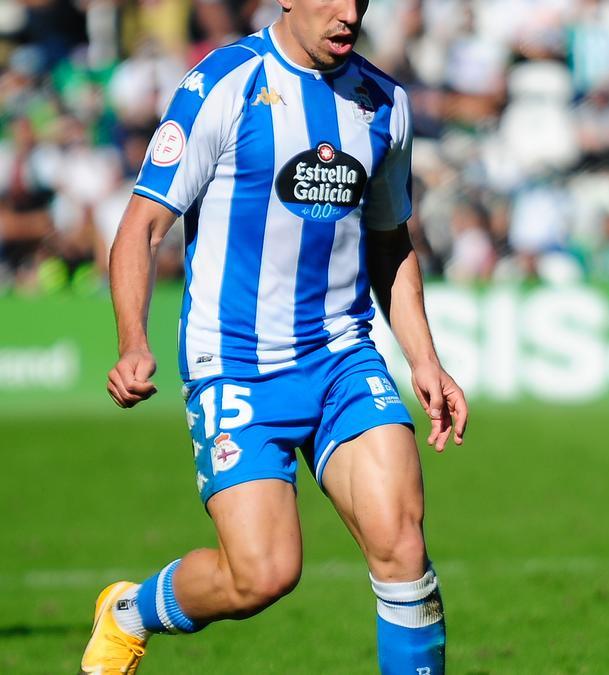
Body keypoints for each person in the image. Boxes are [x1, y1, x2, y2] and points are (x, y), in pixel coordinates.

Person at [79, 0, 468, 671]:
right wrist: (132, 341)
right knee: (262, 574)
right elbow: (141, 227)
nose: (348, 13)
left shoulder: (384, 103)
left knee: (402, 543)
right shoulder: (223, 84)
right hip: (235, 365)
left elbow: (389, 239)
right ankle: (129, 611)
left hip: (342, 357)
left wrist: (424, 359)